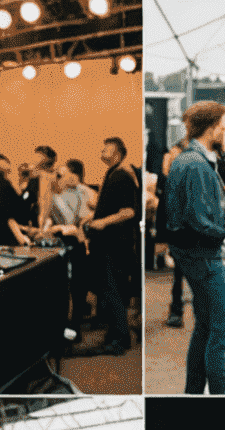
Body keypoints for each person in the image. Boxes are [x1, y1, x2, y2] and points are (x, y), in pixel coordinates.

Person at [166, 101, 225, 394]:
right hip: (204, 255)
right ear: (212, 129)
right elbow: (198, 219)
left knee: (204, 326)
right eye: (224, 129)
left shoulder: (187, 160)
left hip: (193, 254)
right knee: (223, 327)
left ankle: (194, 391)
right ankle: (221, 394)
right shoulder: (197, 165)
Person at [82, 136, 140, 356]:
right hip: (108, 244)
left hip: (115, 246)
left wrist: (101, 222)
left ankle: (120, 339)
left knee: (114, 291)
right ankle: (116, 333)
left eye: (106, 149)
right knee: (109, 290)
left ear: (117, 153)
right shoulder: (112, 174)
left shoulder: (122, 176)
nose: (101, 152)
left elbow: (129, 212)